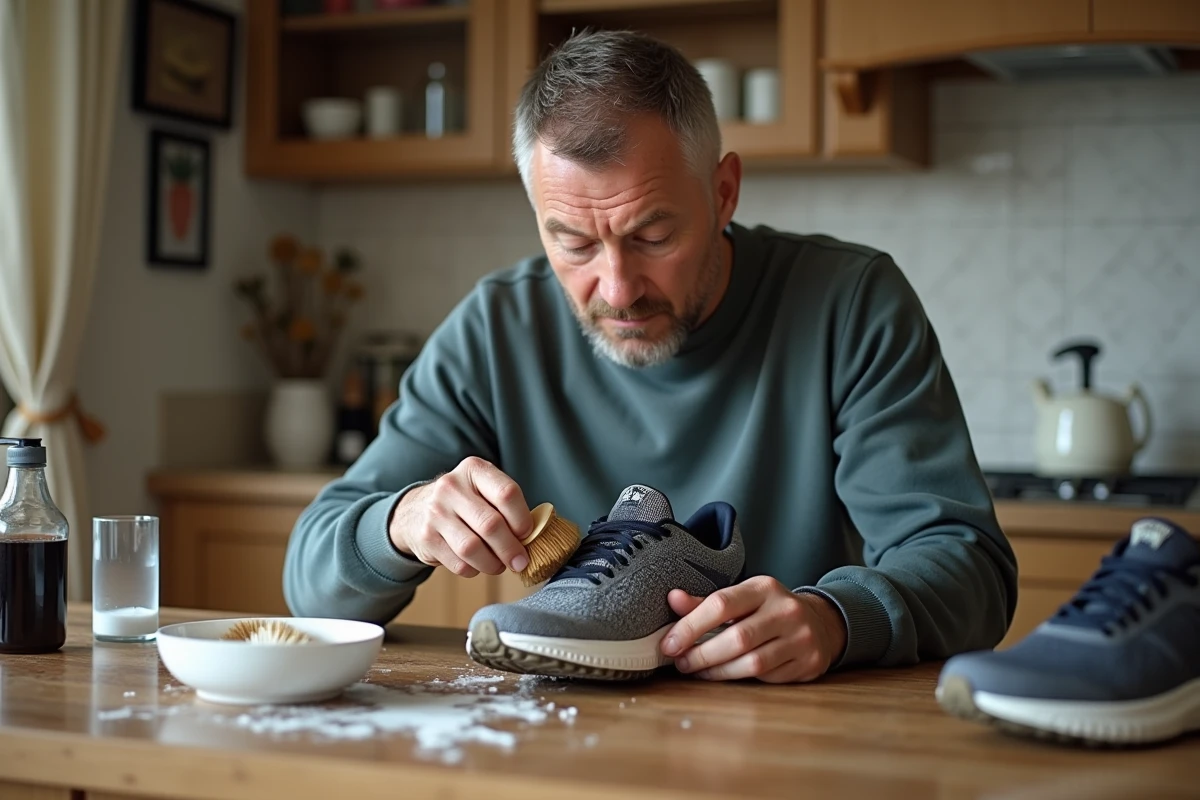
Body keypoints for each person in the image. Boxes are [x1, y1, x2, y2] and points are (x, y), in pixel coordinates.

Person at [283, 30, 1018, 684]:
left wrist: (835, 616)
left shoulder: (850, 301)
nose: (617, 288)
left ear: (723, 191)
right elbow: (310, 584)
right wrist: (401, 522)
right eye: (572, 243)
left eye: (654, 235)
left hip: (791, 727)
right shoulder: (496, 324)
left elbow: (968, 568)